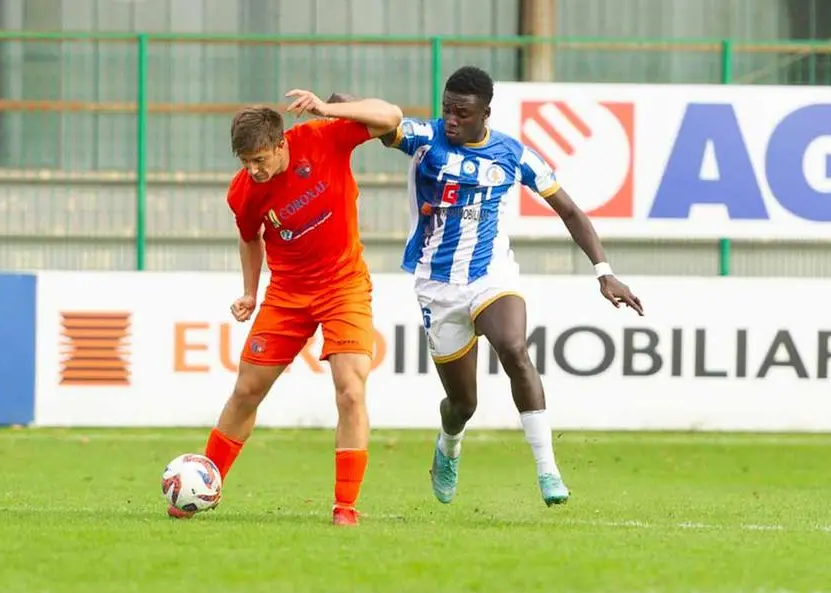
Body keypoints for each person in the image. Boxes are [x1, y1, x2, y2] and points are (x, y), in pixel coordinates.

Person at [327, 66, 643, 508]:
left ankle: (548, 470)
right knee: (462, 403)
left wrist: (604, 271)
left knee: (514, 347)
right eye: (446, 110)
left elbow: (570, 211)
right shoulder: (425, 138)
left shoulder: (513, 155)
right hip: (438, 286)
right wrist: (332, 104)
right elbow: (381, 123)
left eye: (462, 113)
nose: (451, 120)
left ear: (485, 114)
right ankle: (449, 445)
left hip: (491, 274)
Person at [169, 91, 402, 526]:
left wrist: (328, 109)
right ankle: (203, 486)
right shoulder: (243, 192)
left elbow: (392, 116)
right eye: (245, 163)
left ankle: (345, 506)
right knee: (246, 392)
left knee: (350, 389)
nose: (253, 171)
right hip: (288, 293)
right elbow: (249, 235)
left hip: (343, 284)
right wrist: (250, 291)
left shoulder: (323, 137)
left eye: (260, 160)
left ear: (281, 144)